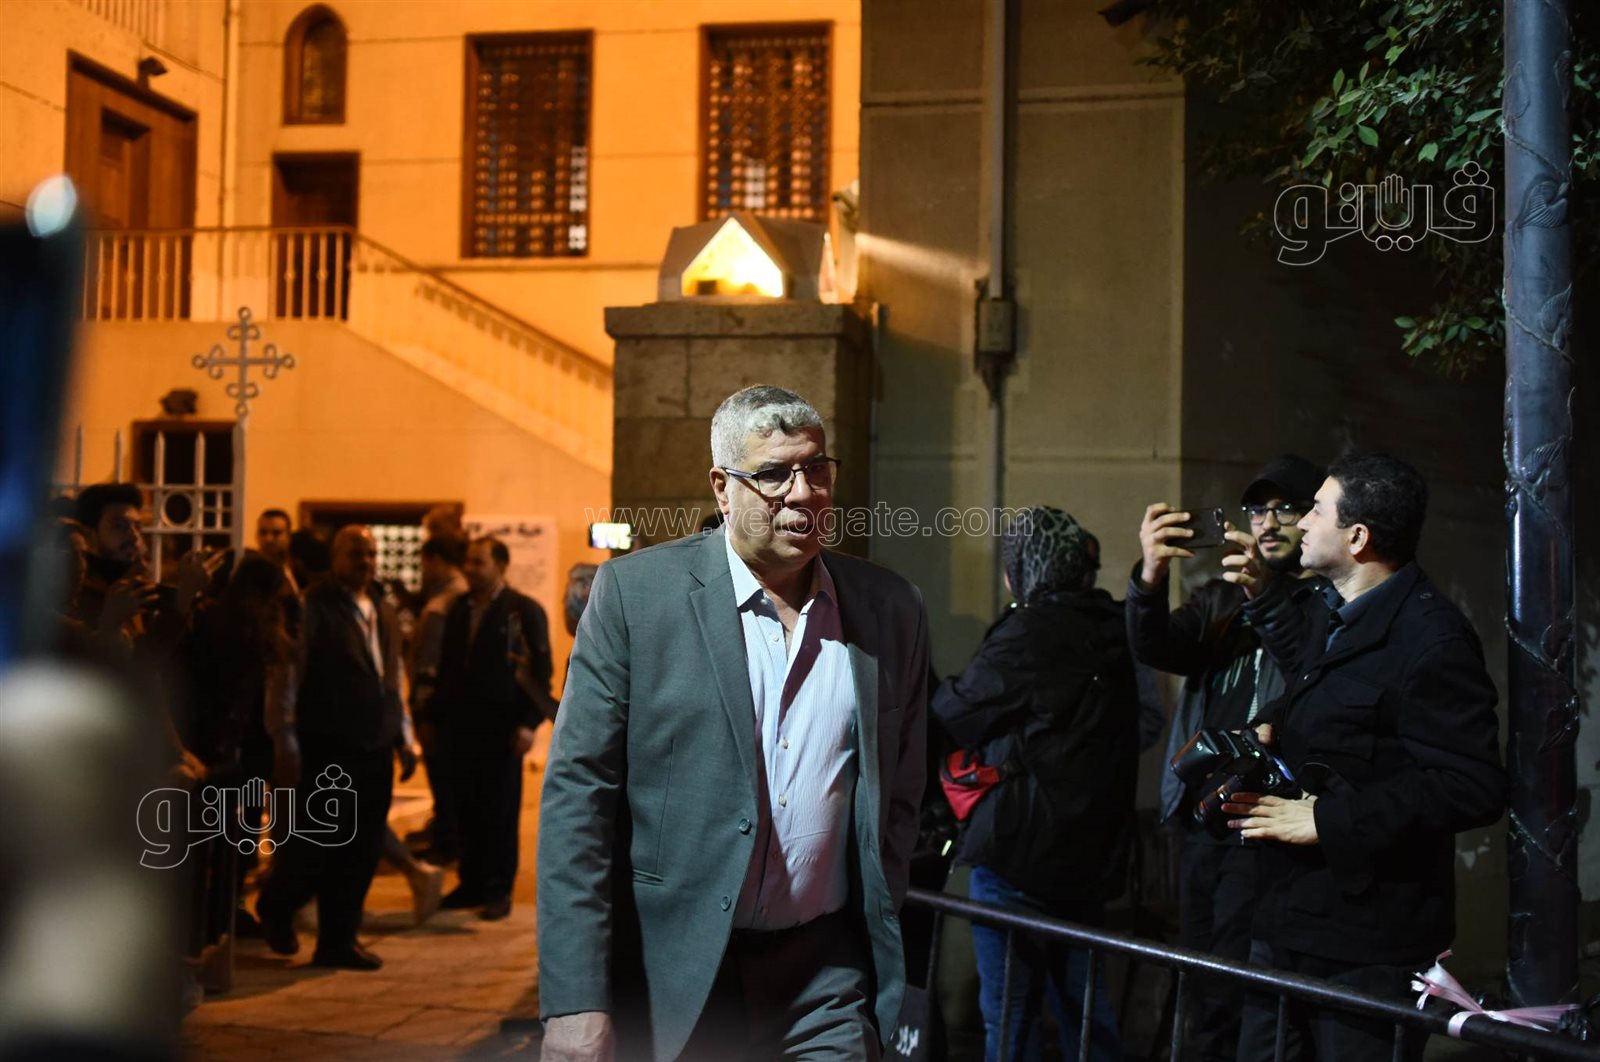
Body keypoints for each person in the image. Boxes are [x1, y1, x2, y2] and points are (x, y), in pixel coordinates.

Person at [538, 385, 930, 1062]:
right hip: (676, 979)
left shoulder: (889, 608)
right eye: (774, 474)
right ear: (723, 488)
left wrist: (874, 918)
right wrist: (576, 998)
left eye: (816, 468)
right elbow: (579, 800)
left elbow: (901, 792)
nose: (804, 493)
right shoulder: (636, 597)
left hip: (825, 979)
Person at [1221, 454, 1505, 1062]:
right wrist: (1272, 727)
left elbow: (1470, 784)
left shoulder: (1432, 637)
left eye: (1316, 511)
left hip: (1366, 948)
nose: (1300, 523)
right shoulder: (1327, 612)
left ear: (1357, 537)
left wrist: (1327, 820)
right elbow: (1331, 708)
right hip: (1284, 920)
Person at [1125, 455, 1325, 1062]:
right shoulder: (1222, 599)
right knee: (1202, 976)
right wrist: (1149, 578)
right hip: (1203, 817)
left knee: (1247, 988)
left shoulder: (1322, 601)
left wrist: (1266, 595)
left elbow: (1309, 672)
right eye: (1257, 509)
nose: (1267, 521)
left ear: (1315, 516)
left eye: (1285, 508)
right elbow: (1157, 646)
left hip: (1265, 821)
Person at [933, 507, 1134, 1062]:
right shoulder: (1115, 625)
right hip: (1088, 861)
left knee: (1010, 1025)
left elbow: (958, 712)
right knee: (1087, 1021)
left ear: (1021, 568)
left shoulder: (1028, 631)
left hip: (1018, 859)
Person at [255, 526, 415, 971]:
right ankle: (277, 903)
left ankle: (338, 940)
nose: (366, 562)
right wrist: (284, 734)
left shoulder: (383, 608)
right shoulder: (312, 606)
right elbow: (288, 673)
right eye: (355, 553)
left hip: (375, 743)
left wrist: (404, 736)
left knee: (362, 850)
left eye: (371, 553)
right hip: (328, 743)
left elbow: (393, 676)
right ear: (335, 556)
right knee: (315, 845)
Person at [432, 536, 554, 920]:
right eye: (467, 562)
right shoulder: (459, 609)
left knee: (499, 810)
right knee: (465, 806)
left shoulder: (521, 611)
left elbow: (540, 672)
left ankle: (498, 889)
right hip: (461, 727)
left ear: (500, 566)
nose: (469, 569)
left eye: (478, 562)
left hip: (502, 729)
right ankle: (470, 883)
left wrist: (528, 723)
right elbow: (448, 666)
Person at [406, 532, 470, 864]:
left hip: (438, 704)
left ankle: (447, 842)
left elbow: (430, 663)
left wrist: (423, 708)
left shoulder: (446, 602)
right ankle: (447, 836)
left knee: (443, 775)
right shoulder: (454, 596)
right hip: (449, 702)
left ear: (436, 560)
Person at [256, 509, 296, 592]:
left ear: (288, 536)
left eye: (276, 533)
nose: (268, 539)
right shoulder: (249, 571)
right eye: (263, 532)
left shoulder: (297, 569)